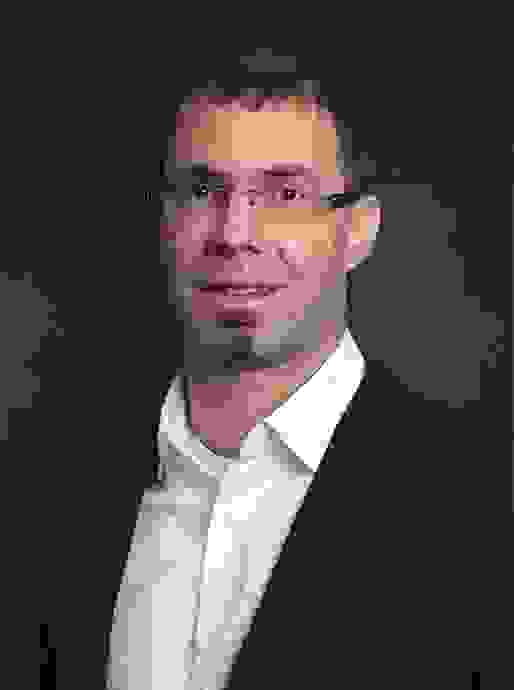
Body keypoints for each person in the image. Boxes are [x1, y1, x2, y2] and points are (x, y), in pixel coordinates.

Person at [46, 56, 494, 690]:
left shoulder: (482, 506)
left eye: (285, 195)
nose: (235, 235)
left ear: (359, 230)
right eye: (203, 190)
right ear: (165, 222)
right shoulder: (47, 490)